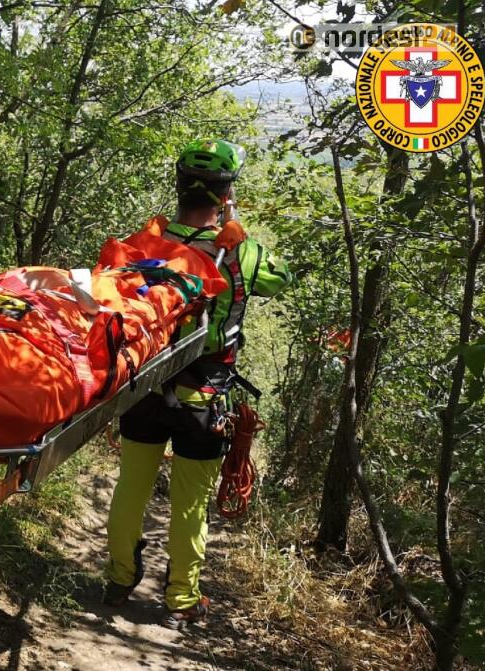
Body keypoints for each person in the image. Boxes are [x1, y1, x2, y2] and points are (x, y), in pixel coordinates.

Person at [104, 139, 293, 629]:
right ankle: (180, 600)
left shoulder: (141, 243)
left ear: (179, 186)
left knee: (132, 488)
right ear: (225, 194)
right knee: (190, 505)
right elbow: (280, 279)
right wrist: (237, 234)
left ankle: (119, 579)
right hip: (204, 395)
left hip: (143, 387)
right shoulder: (242, 252)